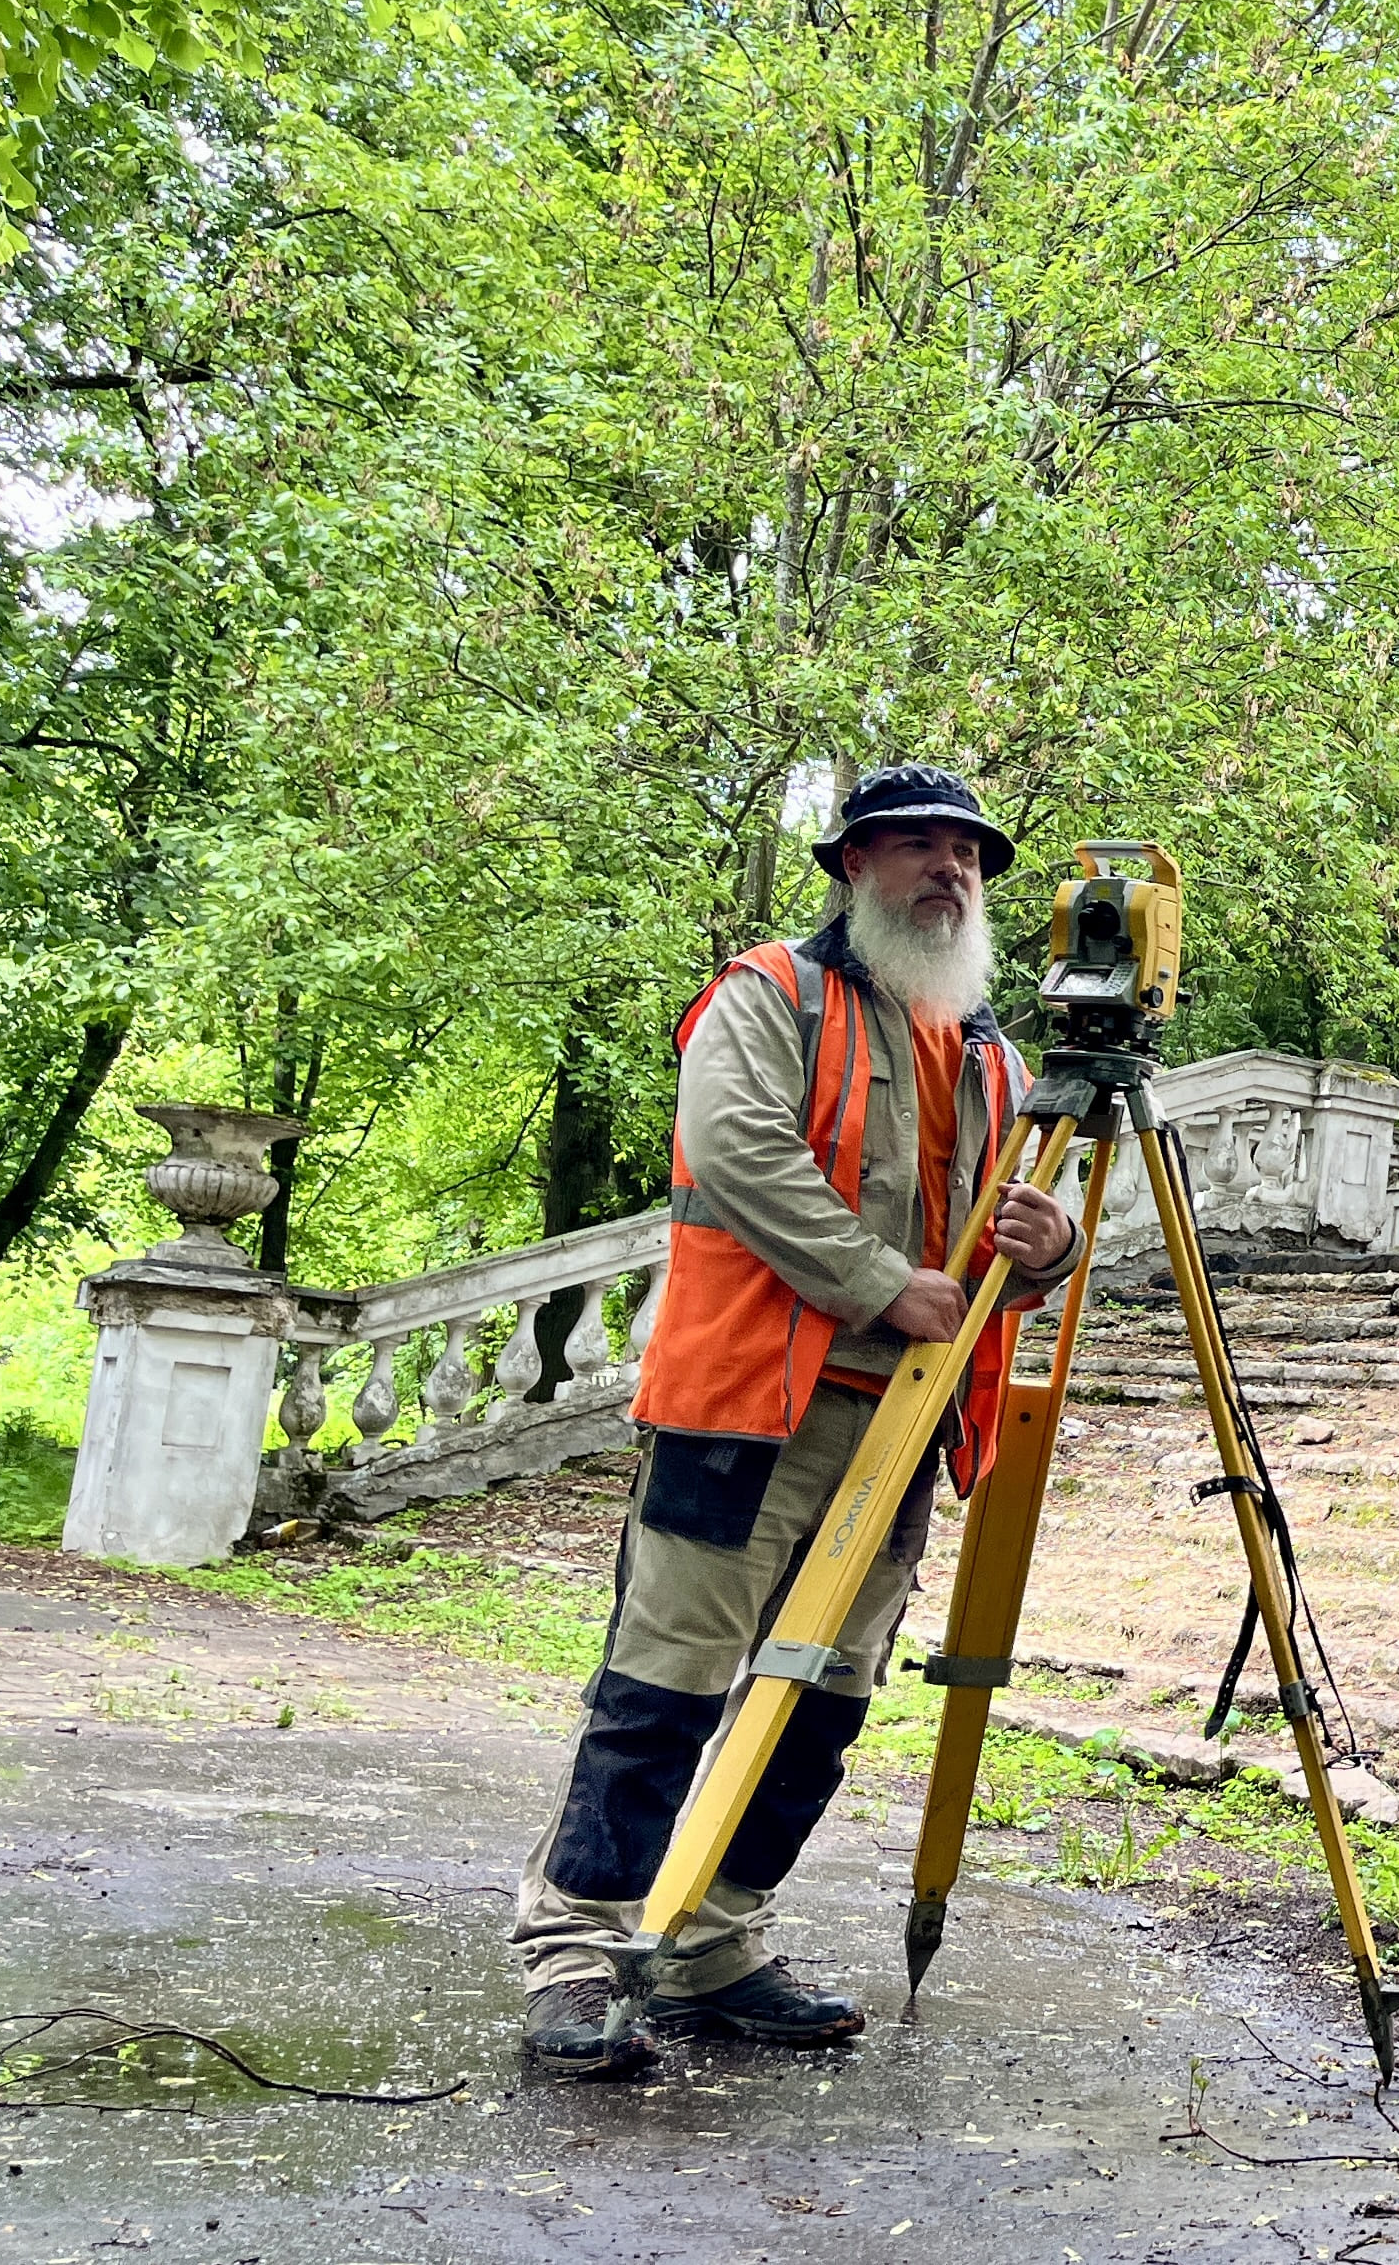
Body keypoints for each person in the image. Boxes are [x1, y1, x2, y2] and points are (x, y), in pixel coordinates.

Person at [513, 763, 1081, 2081]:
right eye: (918, 847)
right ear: (851, 867)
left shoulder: (998, 1055)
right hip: (744, 1410)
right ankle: (576, 1948)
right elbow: (736, 1150)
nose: (950, 870)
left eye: (970, 855)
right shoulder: (768, 993)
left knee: (822, 1705)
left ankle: (717, 1944)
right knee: (665, 1687)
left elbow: (1006, 1238)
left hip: (904, 1433)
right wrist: (888, 1284)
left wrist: (1046, 1249)